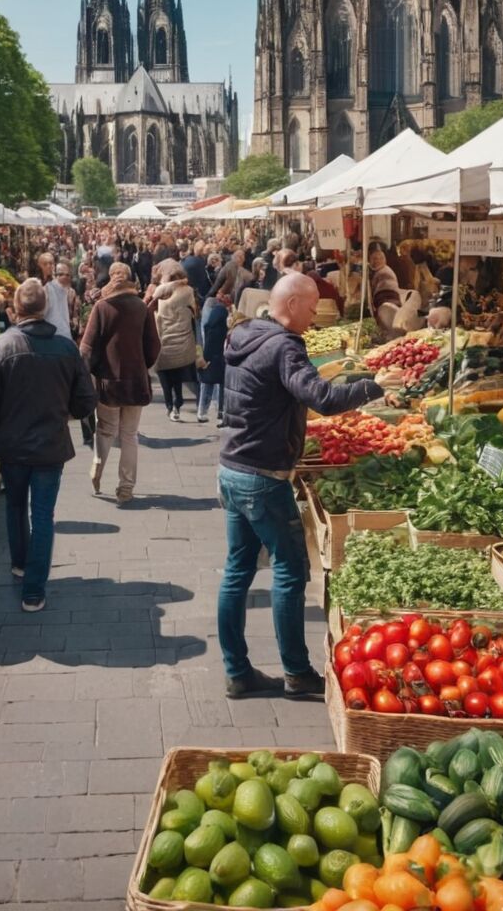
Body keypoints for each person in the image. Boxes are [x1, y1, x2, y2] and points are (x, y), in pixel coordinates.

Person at [218, 274, 385, 700]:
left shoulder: (244, 335)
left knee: (237, 571)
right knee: (291, 571)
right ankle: (296, 671)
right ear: (292, 304)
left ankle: (237, 671)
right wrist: (372, 386)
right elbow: (322, 399)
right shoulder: (285, 346)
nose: (315, 316)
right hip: (262, 477)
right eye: (311, 307)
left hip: (232, 467)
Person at [0, 279, 97, 612]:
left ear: (16, 309)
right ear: (44, 308)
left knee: (15, 506)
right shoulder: (65, 348)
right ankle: (34, 591)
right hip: (49, 445)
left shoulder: (0, 347)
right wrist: (63, 412)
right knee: (42, 515)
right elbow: (87, 401)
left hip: (11, 446)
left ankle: (20, 564)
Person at [79, 262, 161, 505]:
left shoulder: (102, 307)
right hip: (135, 381)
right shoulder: (141, 308)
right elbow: (154, 347)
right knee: (129, 435)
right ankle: (126, 487)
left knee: (104, 431)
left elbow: (86, 346)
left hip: (108, 382)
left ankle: (97, 469)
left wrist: (93, 370)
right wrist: (141, 364)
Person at [149, 262, 198, 421]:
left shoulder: (159, 291)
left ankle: (170, 406)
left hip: (163, 338)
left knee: (164, 375)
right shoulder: (188, 291)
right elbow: (194, 313)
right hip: (180, 339)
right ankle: (177, 403)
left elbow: (150, 310)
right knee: (176, 374)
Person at [198, 289, 231, 426]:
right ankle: (221, 413)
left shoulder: (210, 322)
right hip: (221, 356)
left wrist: (205, 356)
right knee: (222, 384)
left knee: (207, 382)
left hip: (211, 355)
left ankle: (202, 411)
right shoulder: (223, 317)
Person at [37, 252, 72, 341]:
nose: (49, 266)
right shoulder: (38, 285)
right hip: (49, 335)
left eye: (51, 263)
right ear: (39, 265)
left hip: (60, 333)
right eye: (45, 264)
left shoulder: (59, 285)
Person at [367, 241, 402, 329]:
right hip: (386, 310)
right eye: (374, 258)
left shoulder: (385, 273)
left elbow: (385, 296)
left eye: (381, 257)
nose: (378, 261)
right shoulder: (375, 272)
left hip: (388, 310)